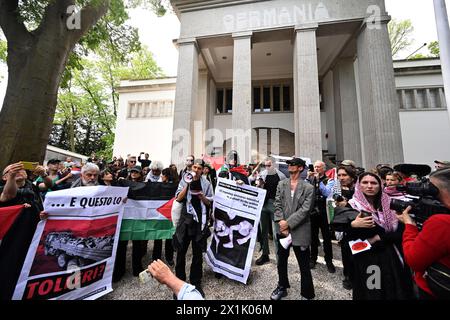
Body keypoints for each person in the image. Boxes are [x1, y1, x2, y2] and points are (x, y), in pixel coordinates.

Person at [344, 172, 414, 300]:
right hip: (369, 261)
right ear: (359, 185)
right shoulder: (353, 206)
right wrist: (353, 225)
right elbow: (347, 238)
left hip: (393, 257)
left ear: (380, 185)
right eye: (365, 183)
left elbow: (403, 231)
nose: (369, 186)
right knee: (373, 290)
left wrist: (378, 238)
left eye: (374, 183)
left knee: (397, 290)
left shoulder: (391, 205)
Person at [396, 168, 450, 299]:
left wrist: (410, 226)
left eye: (430, 187)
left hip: (435, 290)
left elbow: (414, 261)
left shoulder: (442, 222)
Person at [271, 157, 315, 300]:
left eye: (293, 164)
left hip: (300, 230)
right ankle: (282, 286)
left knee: (304, 265)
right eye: (289, 164)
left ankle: (307, 293)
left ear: (301, 168)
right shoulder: (281, 184)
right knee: (281, 262)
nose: (290, 166)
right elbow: (277, 204)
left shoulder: (308, 187)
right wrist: (281, 221)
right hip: (282, 230)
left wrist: (287, 223)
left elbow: (305, 210)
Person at [0, 163, 45, 300]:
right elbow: (7, 195)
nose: (18, 171)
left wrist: (42, 215)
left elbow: (47, 187)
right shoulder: (4, 189)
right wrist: (12, 178)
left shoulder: (33, 189)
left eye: (21, 169)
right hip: (12, 240)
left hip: (32, 237)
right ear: (4, 177)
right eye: (12, 171)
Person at [173, 159, 213, 298]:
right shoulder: (185, 179)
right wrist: (188, 186)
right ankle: (179, 284)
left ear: (203, 170)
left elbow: (210, 202)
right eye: (194, 167)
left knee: (197, 254)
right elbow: (178, 198)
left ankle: (196, 282)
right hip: (185, 220)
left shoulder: (207, 183)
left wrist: (202, 196)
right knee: (181, 252)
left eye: (199, 168)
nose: (196, 170)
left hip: (199, 222)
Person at [256, 157, 287, 265]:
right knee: (263, 231)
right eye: (265, 165)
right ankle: (265, 254)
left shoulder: (281, 176)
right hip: (263, 204)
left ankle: (280, 258)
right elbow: (256, 187)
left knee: (276, 233)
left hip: (275, 205)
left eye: (269, 165)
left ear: (274, 165)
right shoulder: (262, 174)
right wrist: (259, 184)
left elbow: (285, 194)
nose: (267, 167)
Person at [306, 160, 336, 273]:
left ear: (324, 168)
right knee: (313, 237)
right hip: (313, 211)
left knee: (327, 238)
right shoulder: (310, 179)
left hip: (325, 211)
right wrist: (309, 179)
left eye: (319, 167)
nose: (316, 169)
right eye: (315, 167)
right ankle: (313, 258)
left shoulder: (330, 180)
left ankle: (329, 261)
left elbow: (327, 193)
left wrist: (319, 180)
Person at [334, 165, 358, 290]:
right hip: (345, 226)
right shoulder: (338, 188)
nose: (341, 178)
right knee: (346, 252)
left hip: (359, 227)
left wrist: (348, 204)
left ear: (352, 176)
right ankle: (347, 276)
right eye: (339, 175)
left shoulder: (359, 188)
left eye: (344, 175)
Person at [152, 168, 175, 266]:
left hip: (169, 215)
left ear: (167, 176)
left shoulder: (174, 186)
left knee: (169, 236)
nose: (161, 176)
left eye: (163, 175)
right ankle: (156, 258)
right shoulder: (158, 185)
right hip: (160, 214)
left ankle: (169, 257)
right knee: (158, 236)